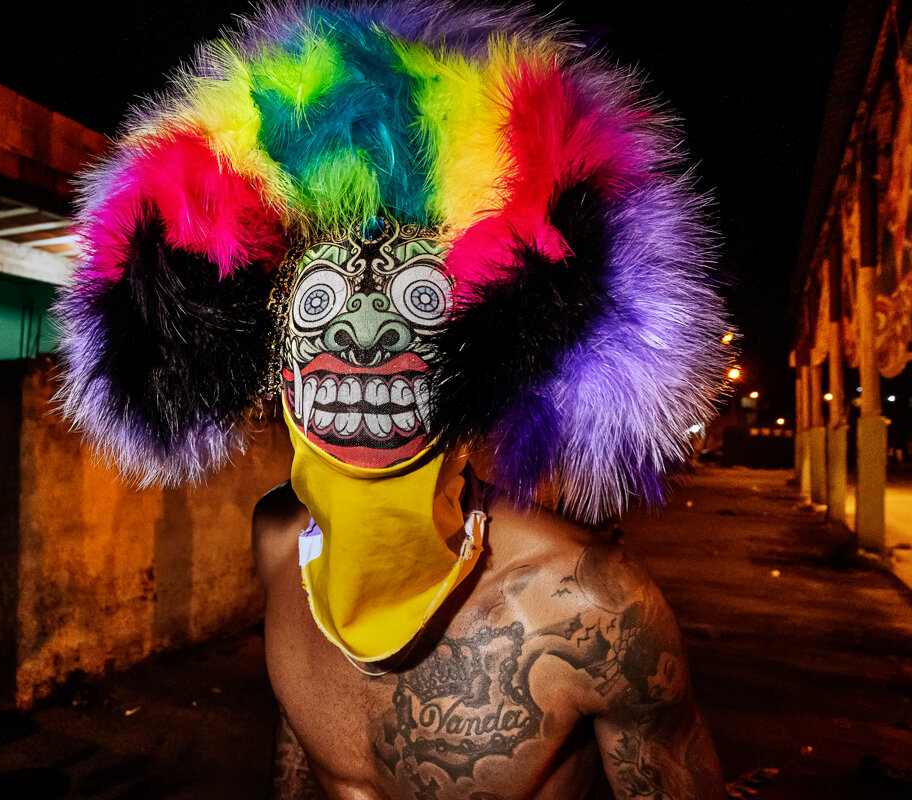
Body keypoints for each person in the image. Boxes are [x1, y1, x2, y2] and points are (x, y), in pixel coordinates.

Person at [54, 3, 730, 798]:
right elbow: (300, 759)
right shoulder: (278, 545)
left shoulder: (590, 610)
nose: (367, 338)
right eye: (320, 304)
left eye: (419, 297)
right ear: (271, 350)